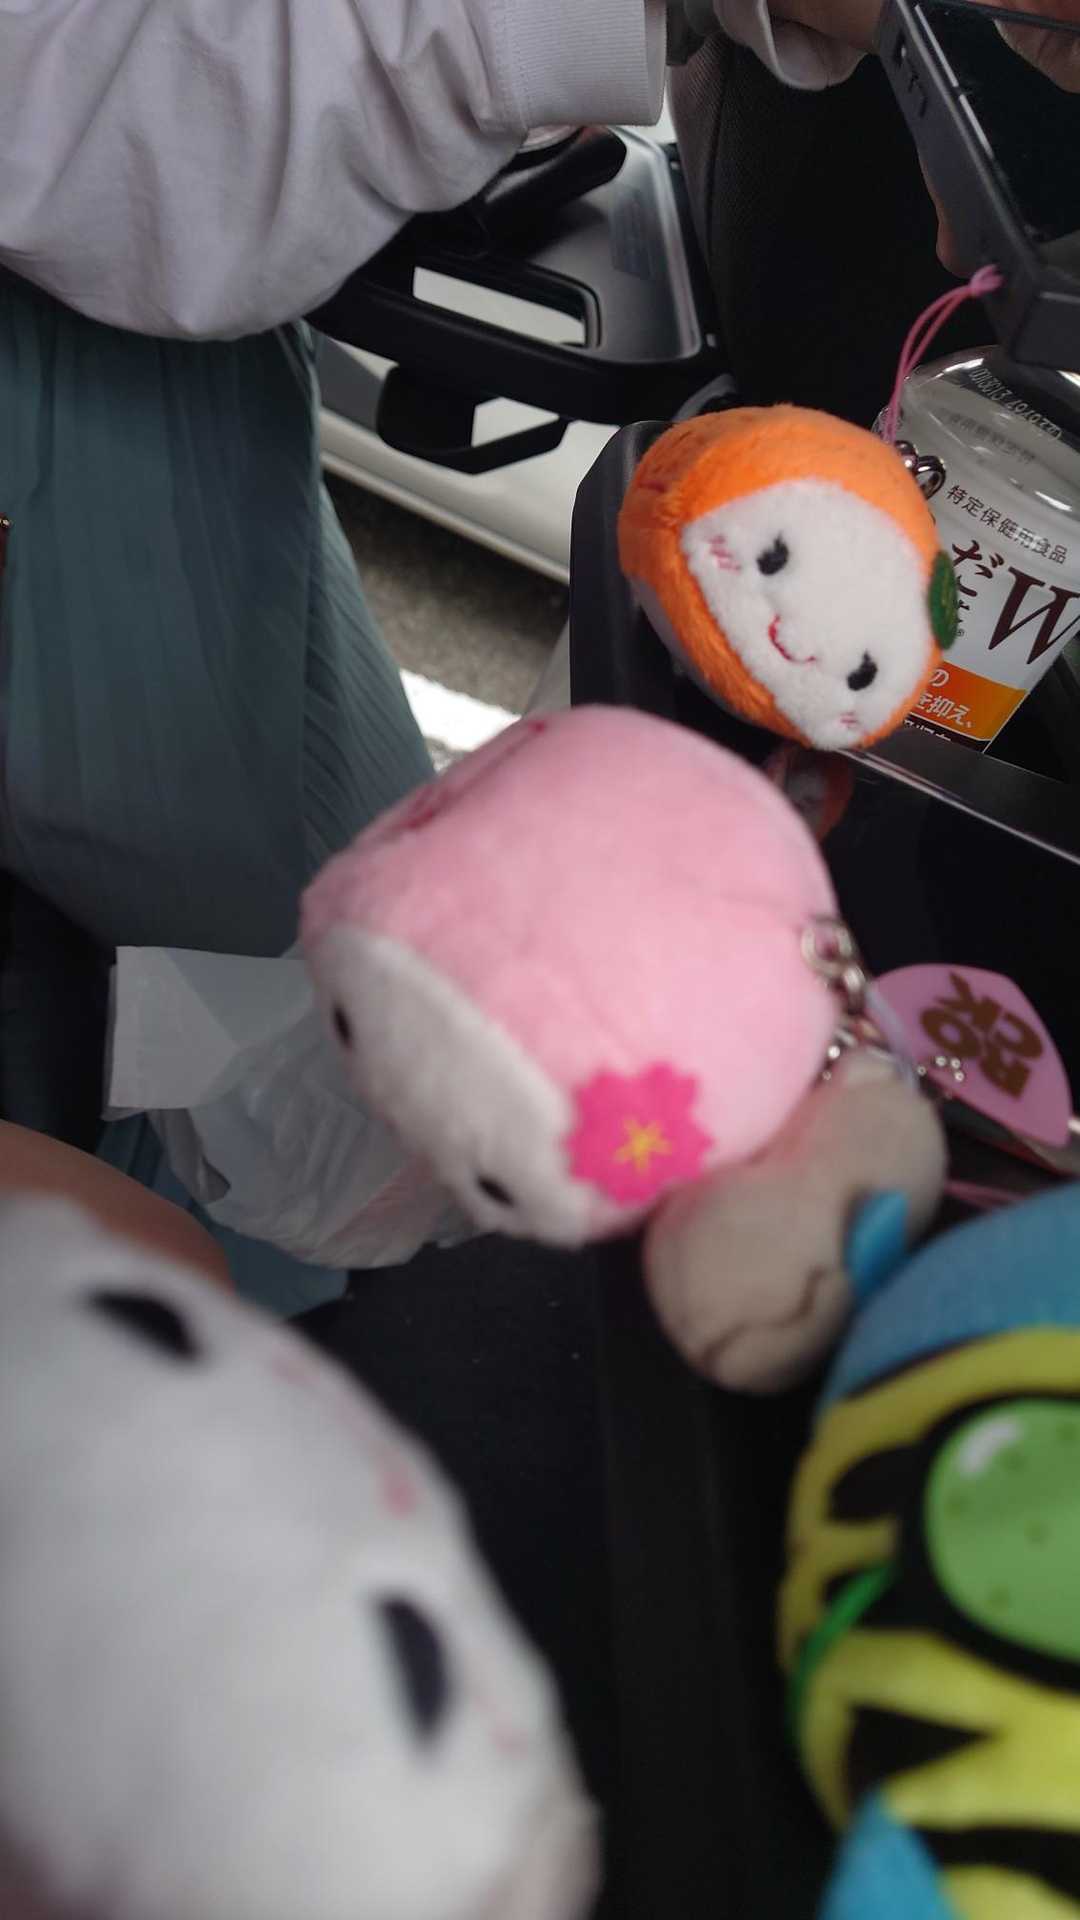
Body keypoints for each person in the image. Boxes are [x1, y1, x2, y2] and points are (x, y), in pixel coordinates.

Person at [0, 0, 902, 1302]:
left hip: (176, 379)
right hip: (63, 309)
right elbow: (85, 110)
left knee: (344, 1025)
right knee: (284, 1157)